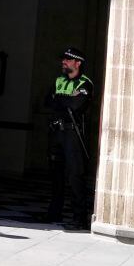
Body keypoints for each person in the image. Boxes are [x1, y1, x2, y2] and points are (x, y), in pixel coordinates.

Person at [44, 46, 95, 230]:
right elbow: (47, 102)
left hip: (73, 134)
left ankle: (78, 217)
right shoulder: (58, 80)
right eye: (63, 59)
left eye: (67, 59)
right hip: (56, 132)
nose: (63, 62)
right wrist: (64, 100)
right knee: (56, 174)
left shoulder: (85, 83)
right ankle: (54, 212)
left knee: (75, 176)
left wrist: (60, 99)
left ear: (77, 63)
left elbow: (76, 106)